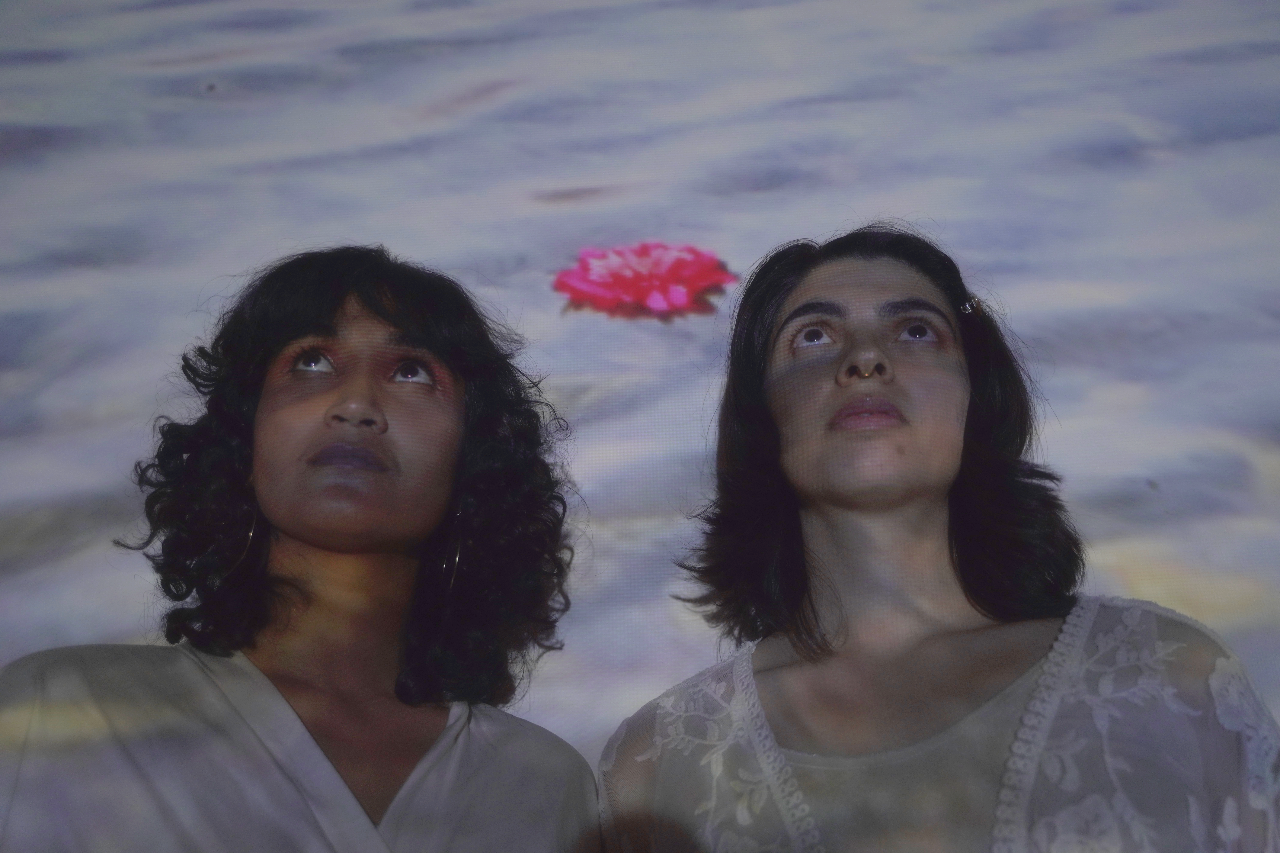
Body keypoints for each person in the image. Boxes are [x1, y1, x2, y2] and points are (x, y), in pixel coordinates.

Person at [599, 225, 1280, 852]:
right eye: (812, 336)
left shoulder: (1169, 677)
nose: (866, 357)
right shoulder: (661, 761)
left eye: (916, 331)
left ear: (975, 397)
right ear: (761, 416)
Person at [0, 246, 599, 852]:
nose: (357, 405)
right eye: (311, 362)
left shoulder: (545, 786)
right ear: (244, 441)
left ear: (473, 460)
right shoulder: (63, 712)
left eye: (411, 371)